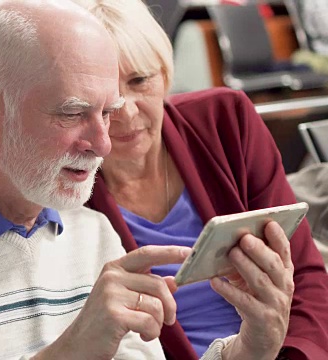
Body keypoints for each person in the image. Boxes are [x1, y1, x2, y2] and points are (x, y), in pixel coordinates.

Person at [0, 1, 294, 359]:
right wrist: (75, 349)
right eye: (72, 113)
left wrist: (248, 350)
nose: (103, 143)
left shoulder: (92, 231)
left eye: (106, 112)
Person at [75, 0, 328, 359]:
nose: (127, 112)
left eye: (139, 81)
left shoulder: (226, 120)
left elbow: (305, 276)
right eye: (106, 98)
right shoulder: (67, 181)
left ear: (164, 75)